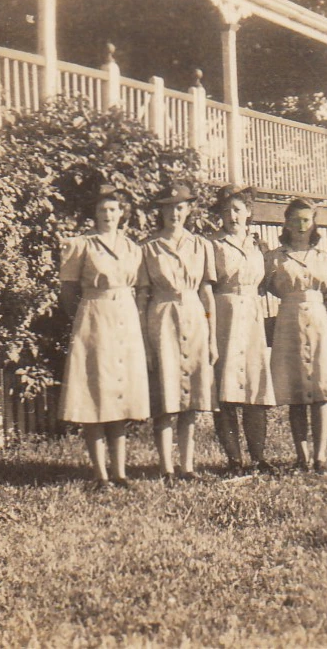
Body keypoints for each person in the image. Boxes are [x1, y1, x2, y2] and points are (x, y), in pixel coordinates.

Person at [58, 184, 150, 490]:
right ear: (94, 214)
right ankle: (100, 474)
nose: (108, 215)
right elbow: (68, 292)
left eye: (113, 209)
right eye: (102, 209)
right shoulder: (81, 245)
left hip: (125, 320)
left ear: (122, 213)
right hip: (94, 320)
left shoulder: (133, 248)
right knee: (95, 394)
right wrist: (85, 318)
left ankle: (121, 472)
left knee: (120, 394)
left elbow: (138, 288)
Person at [137, 183, 217, 487]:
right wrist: (145, 342)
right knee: (166, 396)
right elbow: (141, 297)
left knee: (192, 398)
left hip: (195, 316)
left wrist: (211, 337)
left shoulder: (201, 246)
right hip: (162, 317)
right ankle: (166, 467)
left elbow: (207, 294)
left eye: (180, 207)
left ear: (189, 209)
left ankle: (187, 466)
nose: (175, 213)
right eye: (169, 207)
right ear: (161, 211)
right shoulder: (148, 247)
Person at [264, 198, 327, 474]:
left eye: (306, 220)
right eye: (295, 219)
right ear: (286, 222)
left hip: (317, 319)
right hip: (289, 321)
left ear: (314, 223)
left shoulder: (324, 257)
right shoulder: (275, 257)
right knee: (294, 392)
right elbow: (265, 286)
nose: (300, 226)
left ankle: (320, 456)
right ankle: (302, 456)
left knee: (320, 391)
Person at [210, 184, 276, 476]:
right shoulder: (213, 245)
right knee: (226, 389)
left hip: (251, 315)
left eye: (237, 210)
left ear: (249, 212)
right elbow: (206, 286)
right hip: (223, 313)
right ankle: (234, 460)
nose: (231, 216)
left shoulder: (259, 246)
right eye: (226, 211)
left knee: (254, 386)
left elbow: (269, 283)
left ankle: (259, 457)